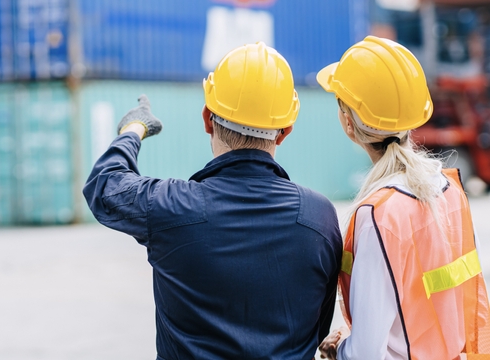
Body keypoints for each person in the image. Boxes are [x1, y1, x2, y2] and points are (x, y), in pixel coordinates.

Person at [84, 43, 342, 359]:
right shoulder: (320, 218)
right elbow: (317, 327)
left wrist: (133, 129)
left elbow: (104, 184)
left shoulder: (169, 207)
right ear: (284, 131)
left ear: (207, 118)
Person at [316, 36, 490, 359]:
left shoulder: (377, 215)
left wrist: (339, 349)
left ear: (348, 123)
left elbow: (366, 353)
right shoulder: (450, 190)